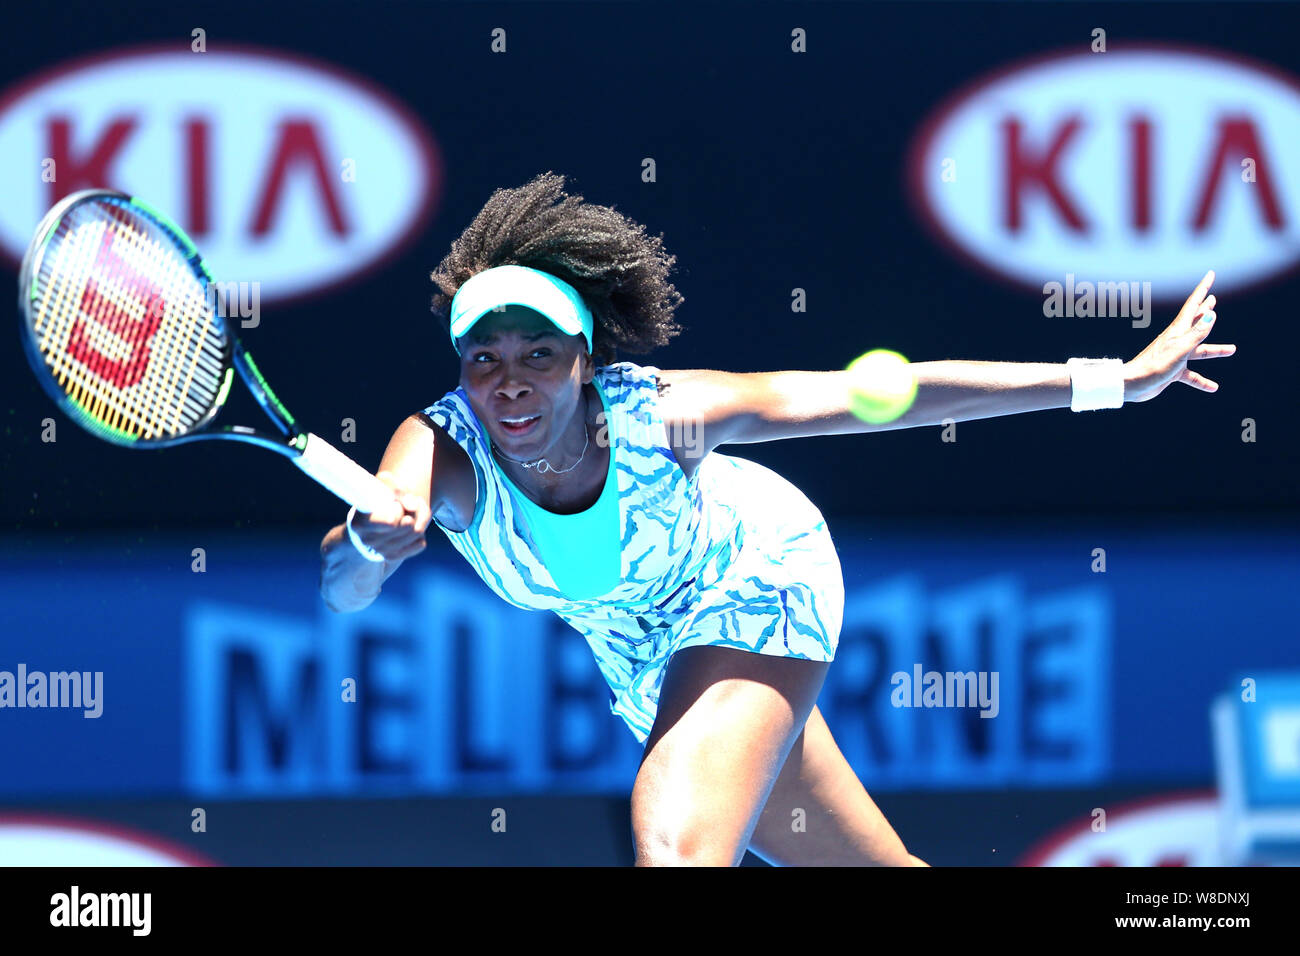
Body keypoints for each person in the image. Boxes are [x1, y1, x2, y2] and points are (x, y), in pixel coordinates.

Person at [319, 172, 1235, 866]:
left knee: (676, 844)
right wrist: (369, 540)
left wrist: (1114, 381)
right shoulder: (439, 454)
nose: (508, 379)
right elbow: (346, 589)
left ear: (585, 360)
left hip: (756, 577)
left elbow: (884, 394)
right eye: (483, 357)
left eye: (538, 352)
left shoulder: (667, 412)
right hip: (642, 660)